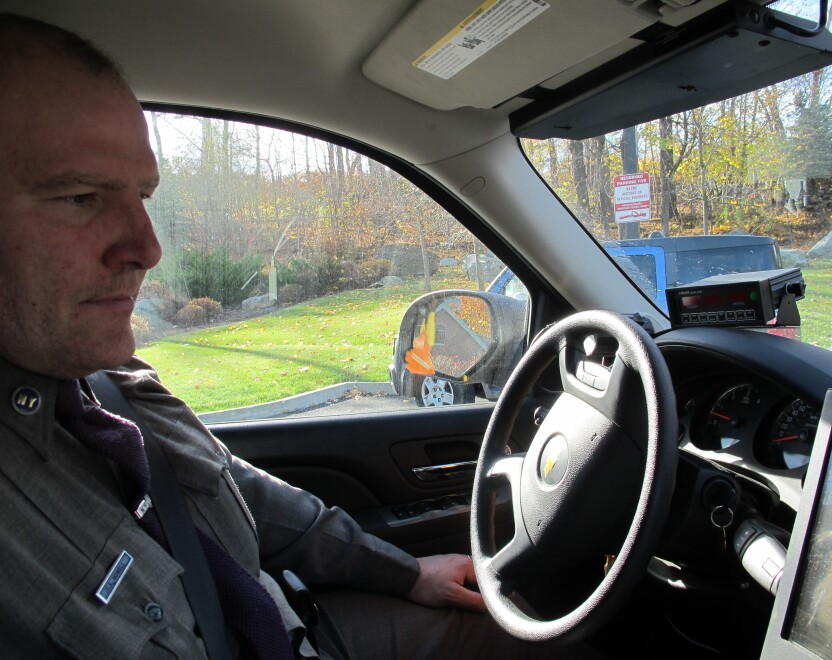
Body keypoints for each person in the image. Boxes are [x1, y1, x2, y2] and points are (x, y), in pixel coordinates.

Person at [0, 14, 595, 659]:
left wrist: (405, 572)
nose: (147, 247)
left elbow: (245, 494)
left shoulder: (108, 393)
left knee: (526, 629)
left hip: (298, 629)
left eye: (144, 195)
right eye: (81, 197)